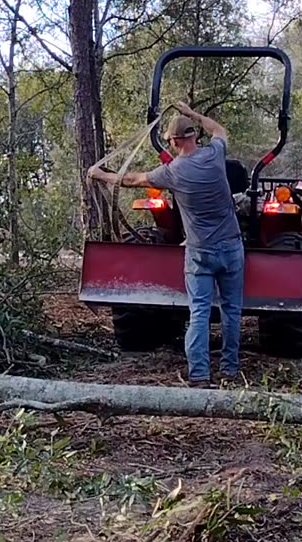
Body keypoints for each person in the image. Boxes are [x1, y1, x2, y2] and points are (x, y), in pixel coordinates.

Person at [87, 102, 242, 385]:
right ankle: (230, 370)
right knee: (232, 310)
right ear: (195, 136)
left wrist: (100, 175)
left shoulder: (173, 172)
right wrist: (192, 113)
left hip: (200, 253)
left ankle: (200, 375)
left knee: (199, 312)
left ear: (173, 141)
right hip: (232, 247)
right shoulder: (215, 155)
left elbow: (132, 180)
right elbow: (220, 130)